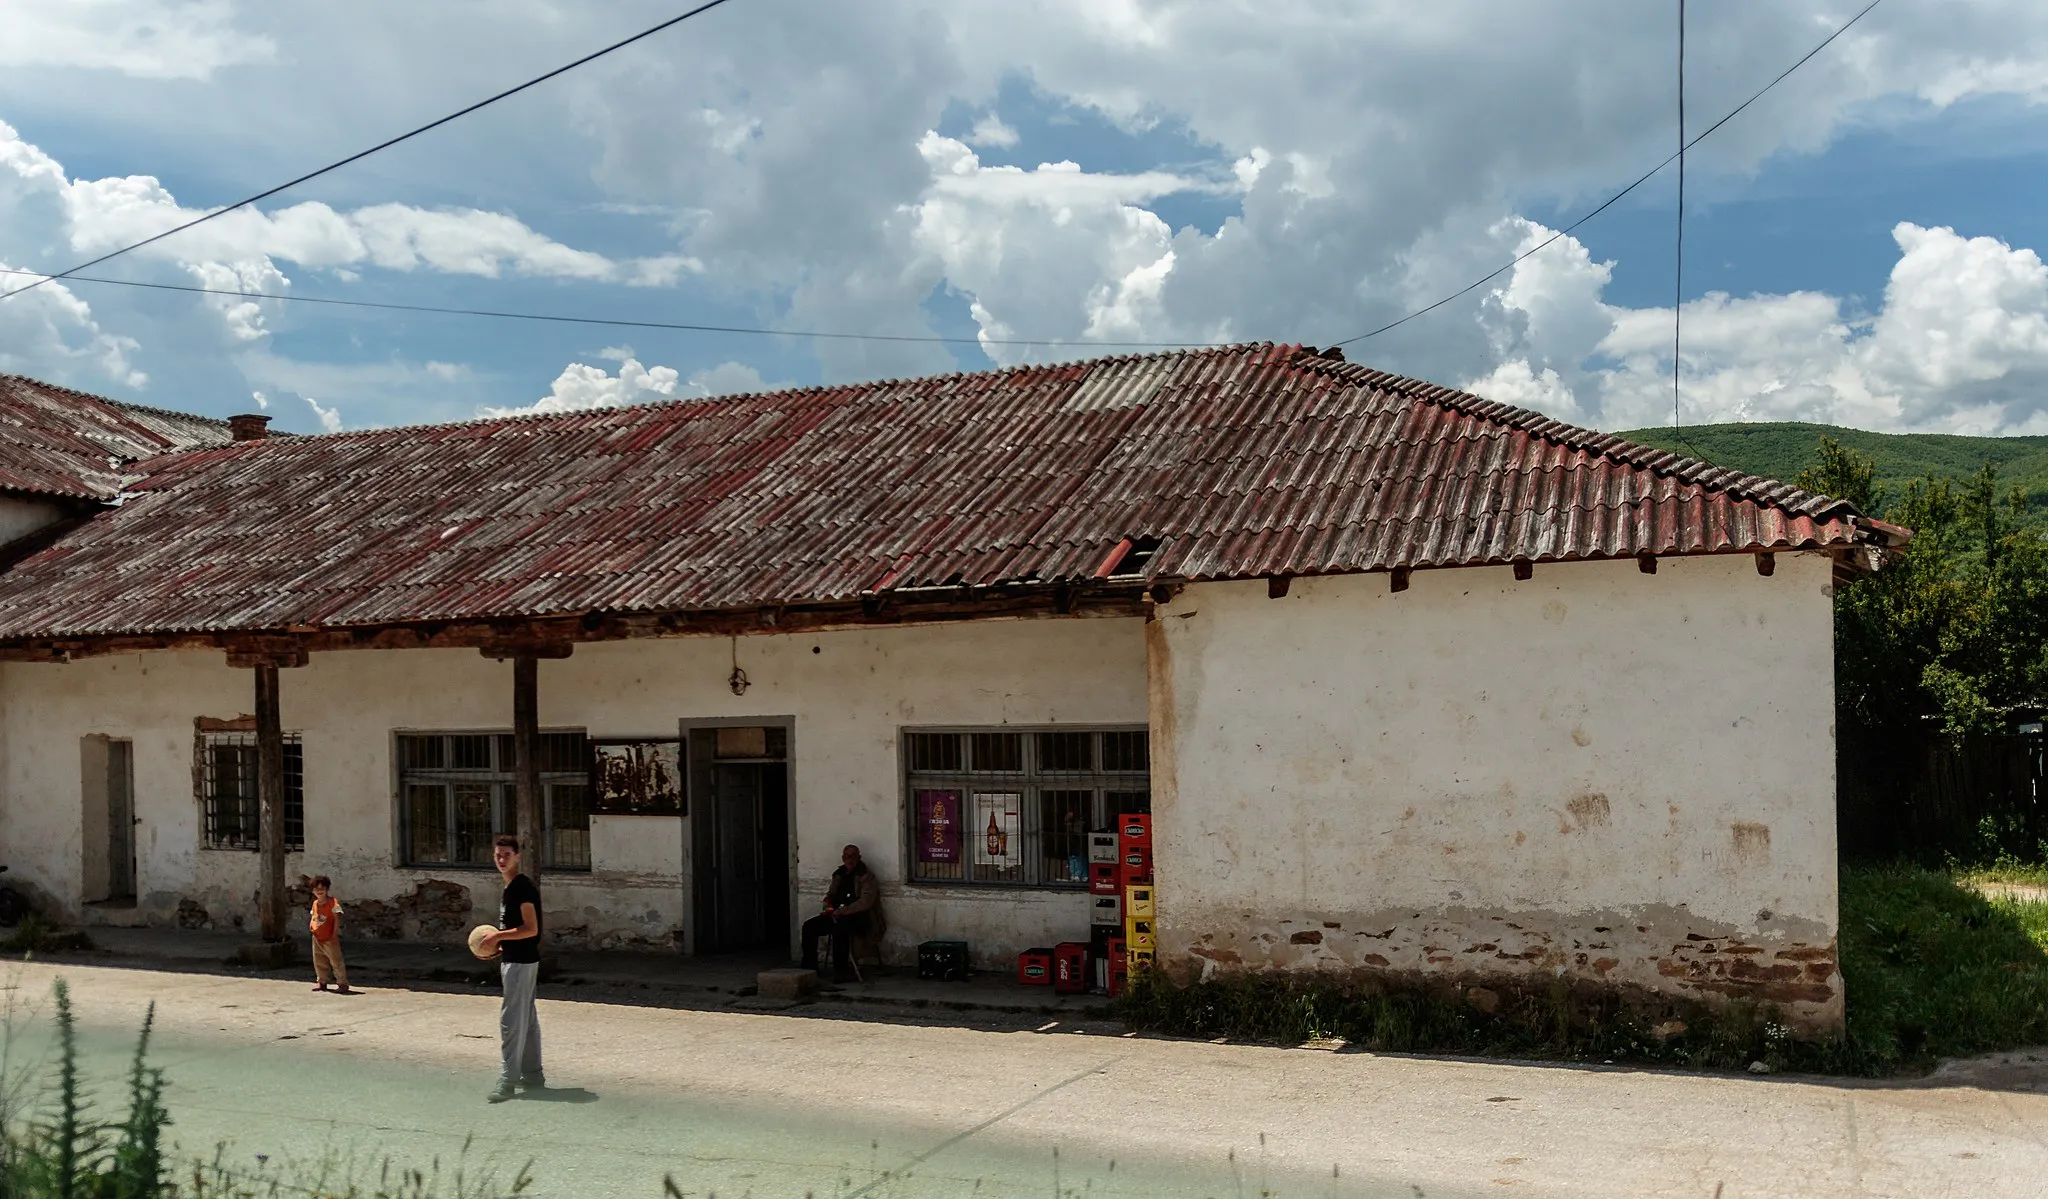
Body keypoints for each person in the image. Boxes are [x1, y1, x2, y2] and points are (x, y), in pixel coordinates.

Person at [478, 834, 543, 1102]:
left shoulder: (522, 887)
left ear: (517, 856)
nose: (501, 860)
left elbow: (532, 928)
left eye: (506, 854)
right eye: (497, 855)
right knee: (526, 1019)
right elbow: (518, 929)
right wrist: (502, 944)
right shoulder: (510, 887)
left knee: (511, 1021)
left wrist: (498, 937)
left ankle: (508, 1081)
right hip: (515, 958)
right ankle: (533, 1074)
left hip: (522, 962)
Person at [800, 844, 880, 981]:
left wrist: (843, 911)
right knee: (809, 926)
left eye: (853, 856)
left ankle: (841, 970)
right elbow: (831, 894)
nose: (850, 860)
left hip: (858, 916)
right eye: (847, 857)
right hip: (836, 913)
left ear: (859, 858)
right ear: (843, 858)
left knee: (840, 929)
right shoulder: (839, 874)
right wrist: (827, 904)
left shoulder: (866, 876)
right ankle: (810, 968)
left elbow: (865, 903)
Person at [307, 875, 351, 994]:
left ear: (327, 889)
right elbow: (314, 917)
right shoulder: (315, 903)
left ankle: (342, 983)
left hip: (329, 936)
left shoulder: (333, 903)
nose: (320, 891)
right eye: (317, 889)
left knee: (336, 960)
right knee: (319, 960)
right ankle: (322, 982)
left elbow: (337, 917)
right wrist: (312, 927)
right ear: (313, 891)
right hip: (317, 936)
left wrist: (334, 933)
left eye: (322, 889)